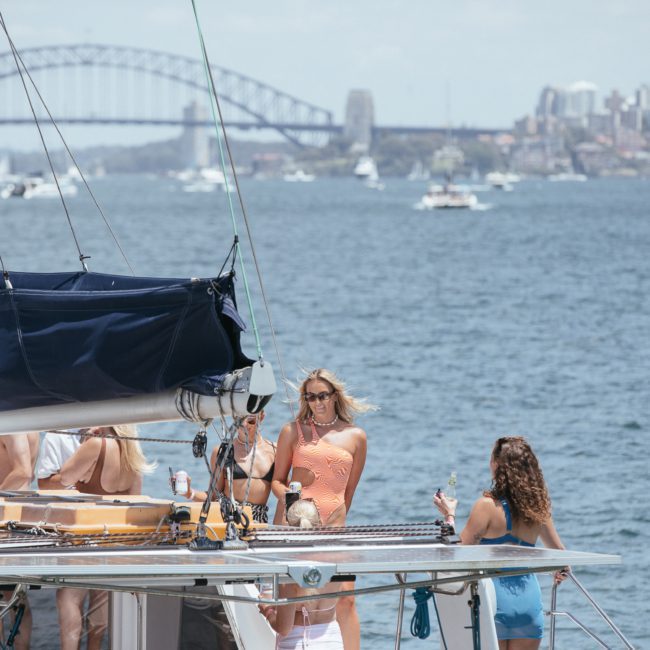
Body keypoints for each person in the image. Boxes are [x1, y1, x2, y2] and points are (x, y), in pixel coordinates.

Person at [433, 436, 569, 650]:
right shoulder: (538, 509)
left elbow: (457, 555)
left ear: (497, 465)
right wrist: (559, 572)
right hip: (528, 604)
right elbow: (563, 559)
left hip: (493, 602)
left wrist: (450, 516)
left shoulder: (486, 506)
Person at [271, 368, 374, 650]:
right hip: (296, 524)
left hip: (333, 527)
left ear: (334, 396)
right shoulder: (293, 431)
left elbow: (348, 492)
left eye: (322, 396)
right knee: (298, 598)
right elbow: (277, 482)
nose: (317, 402)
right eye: (311, 397)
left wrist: (333, 524)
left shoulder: (356, 437)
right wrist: (291, 503)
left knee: (345, 598)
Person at [57, 425, 155, 650]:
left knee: (68, 598)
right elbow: (135, 503)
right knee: (100, 604)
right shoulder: (133, 452)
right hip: (113, 541)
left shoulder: (96, 445)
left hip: (85, 537)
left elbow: (65, 477)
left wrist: (85, 446)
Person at [260, 500, 343, 649]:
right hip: (332, 642)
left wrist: (267, 609)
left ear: (289, 527)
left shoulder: (289, 570)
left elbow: (284, 628)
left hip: (297, 644)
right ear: (318, 522)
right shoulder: (335, 561)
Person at [179, 410, 276, 523]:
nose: (244, 425)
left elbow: (282, 488)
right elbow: (214, 497)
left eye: (251, 421)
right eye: (239, 420)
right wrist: (190, 493)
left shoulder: (275, 451)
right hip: (227, 522)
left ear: (262, 417)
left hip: (258, 524)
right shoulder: (223, 451)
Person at [0, 432, 38, 650]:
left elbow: (23, 471)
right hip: (17, 518)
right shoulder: (27, 419)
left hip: (7, 517)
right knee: (16, 597)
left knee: (13, 596)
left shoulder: (11, 423)